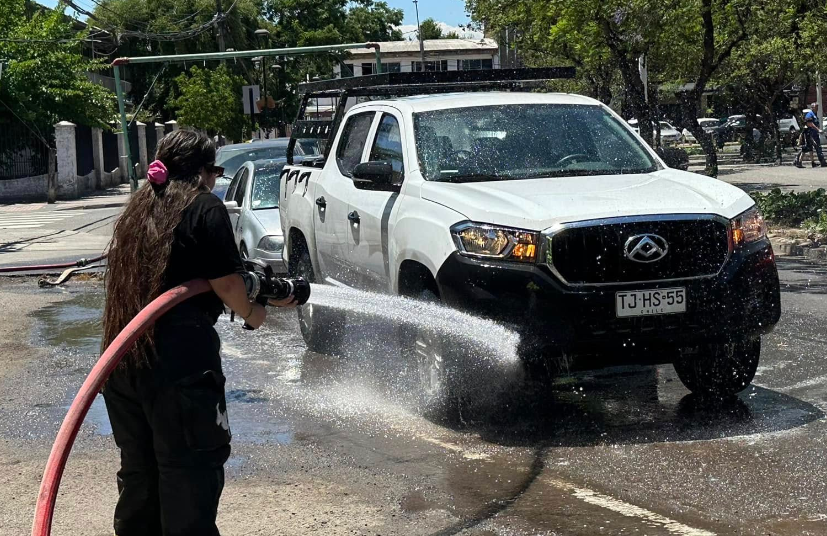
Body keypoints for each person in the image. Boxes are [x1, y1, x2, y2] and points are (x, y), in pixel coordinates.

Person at [101, 130, 296, 536]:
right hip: (179, 369)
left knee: (141, 477)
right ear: (204, 172)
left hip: (121, 361)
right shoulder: (204, 207)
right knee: (189, 475)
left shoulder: (138, 208)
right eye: (214, 171)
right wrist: (253, 313)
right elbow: (227, 285)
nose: (214, 180)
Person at [805, 103, 826, 167]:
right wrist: (818, 129)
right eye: (816, 107)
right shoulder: (810, 114)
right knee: (810, 148)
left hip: (815, 134)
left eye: (817, 107)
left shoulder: (815, 114)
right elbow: (810, 123)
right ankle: (797, 160)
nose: (817, 109)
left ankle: (821, 162)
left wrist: (818, 130)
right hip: (811, 134)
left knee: (814, 148)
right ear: (812, 107)